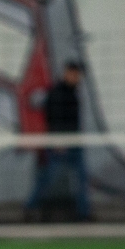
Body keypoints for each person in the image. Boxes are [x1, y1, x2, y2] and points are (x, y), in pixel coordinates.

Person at [25, 60, 91, 221]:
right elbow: (52, 119)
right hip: (59, 143)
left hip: (75, 143)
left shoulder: (73, 93)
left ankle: (83, 214)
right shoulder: (57, 93)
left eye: (78, 75)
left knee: (82, 178)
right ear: (66, 73)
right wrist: (57, 140)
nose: (76, 77)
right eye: (74, 74)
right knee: (48, 177)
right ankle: (30, 208)